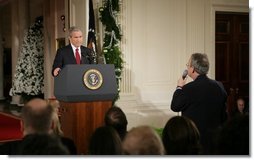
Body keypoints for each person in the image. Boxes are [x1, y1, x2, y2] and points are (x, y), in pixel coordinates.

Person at [170, 53, 227, 154]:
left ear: (192, 69)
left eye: (188, 65)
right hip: (215, 141)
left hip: (196, 142)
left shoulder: (188, 89)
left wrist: (179, 87)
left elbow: (175, 106)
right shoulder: (219, 86)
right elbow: (224, 116)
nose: (187, 68)